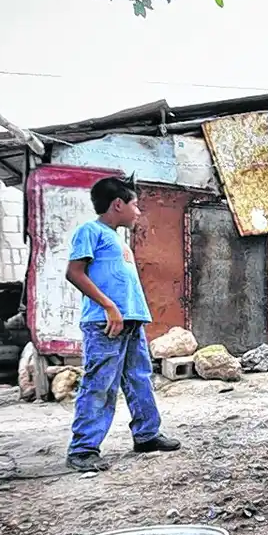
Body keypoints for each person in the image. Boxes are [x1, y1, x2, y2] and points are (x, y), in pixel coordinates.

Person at [63, 176, 180, 471]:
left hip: (130, 321)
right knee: (100, 384)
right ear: (118, 204)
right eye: (135, 205)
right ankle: (83, 450)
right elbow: (74, 272)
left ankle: (147, 435)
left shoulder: (117, 238)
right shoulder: (90, 231)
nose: (138, 212)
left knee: (139, 378)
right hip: (106, 323)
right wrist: (109, 307)